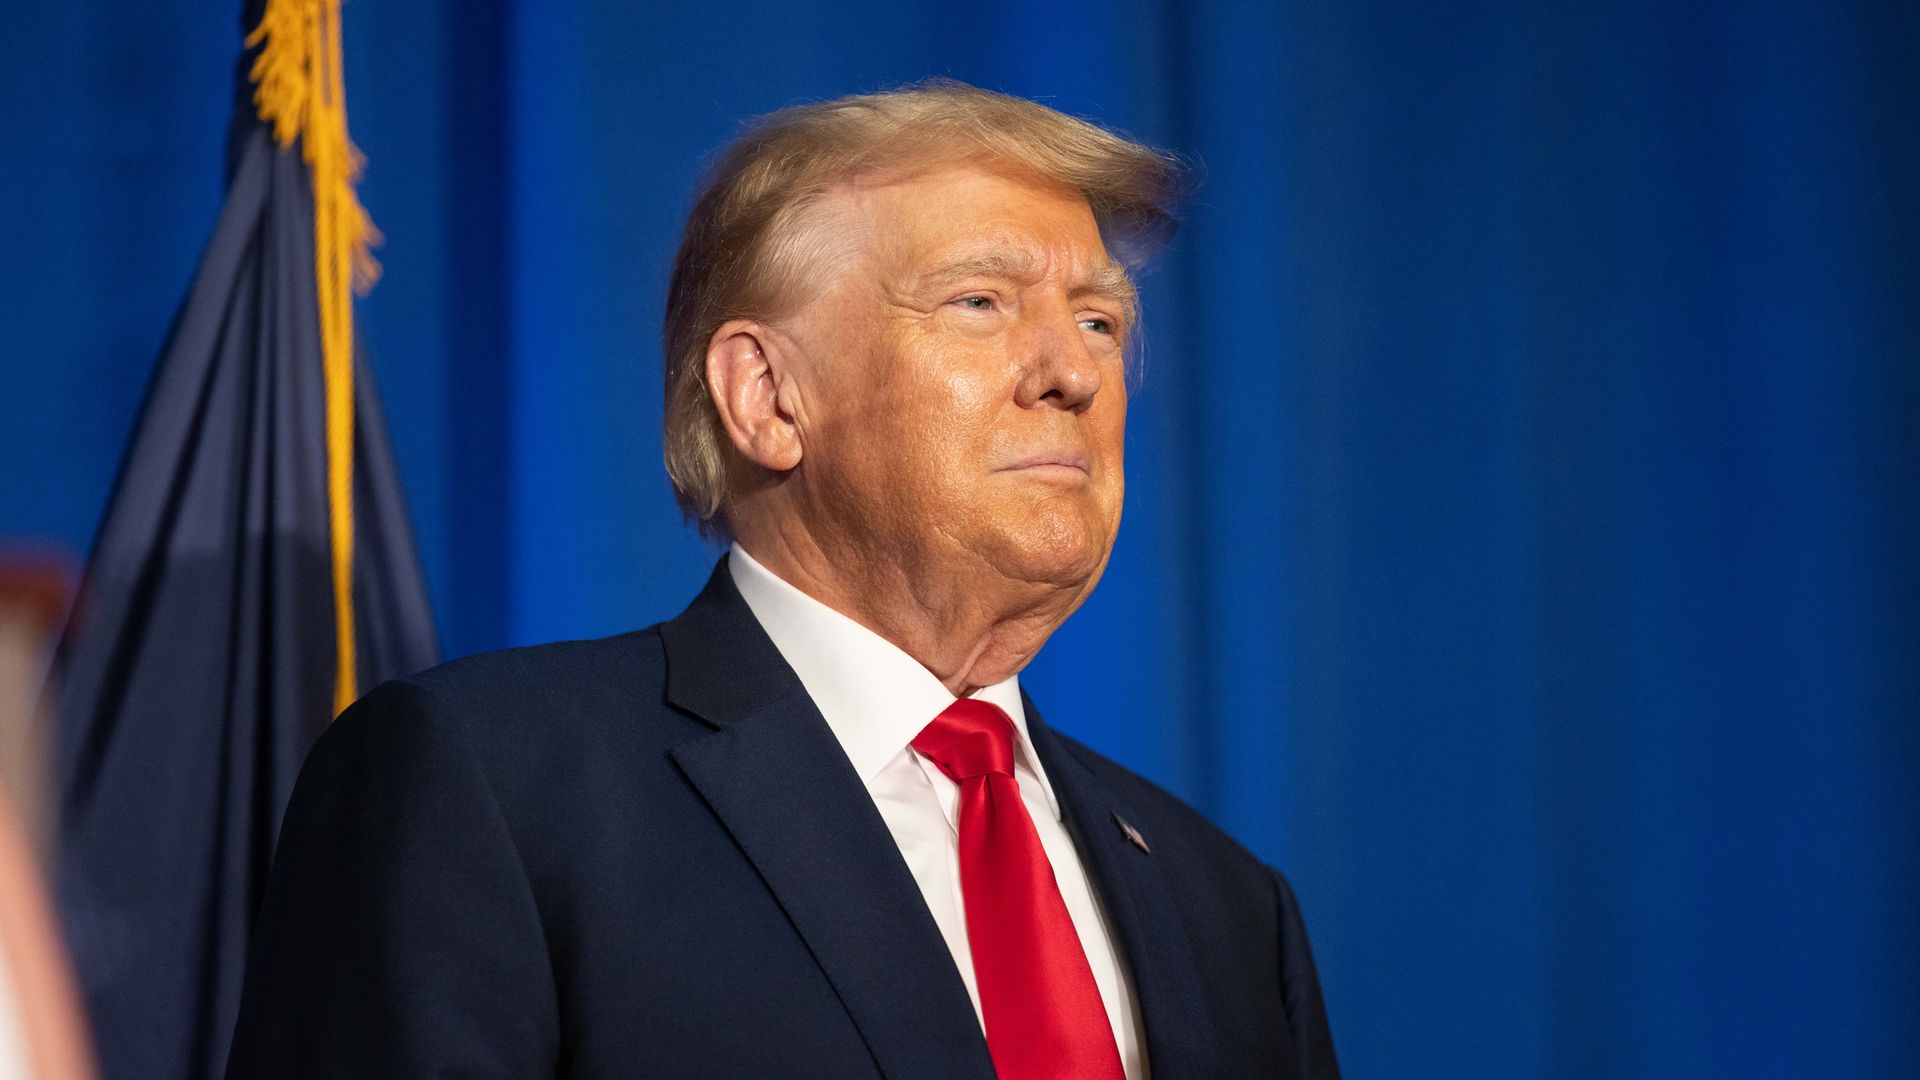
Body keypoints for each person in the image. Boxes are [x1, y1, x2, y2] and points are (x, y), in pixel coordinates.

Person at [225, 80, 1339, 1080]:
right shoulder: (491, 789)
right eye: (980, 302)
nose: (1073, 373)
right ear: (766, 397)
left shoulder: (1228, 906)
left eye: (1099, 320)